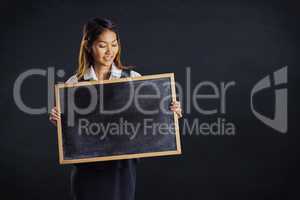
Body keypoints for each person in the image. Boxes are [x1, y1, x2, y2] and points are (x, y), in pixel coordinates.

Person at [49, 17, 182, 200]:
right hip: (88, 172)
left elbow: (149, 119)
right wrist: (60, 122)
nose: (110, 51)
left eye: (114, 44)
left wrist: (170, 112)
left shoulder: (133, 79)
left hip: (121, 171)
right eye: (102, 45)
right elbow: (73, 134)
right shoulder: (74, 84)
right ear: (88, 46)